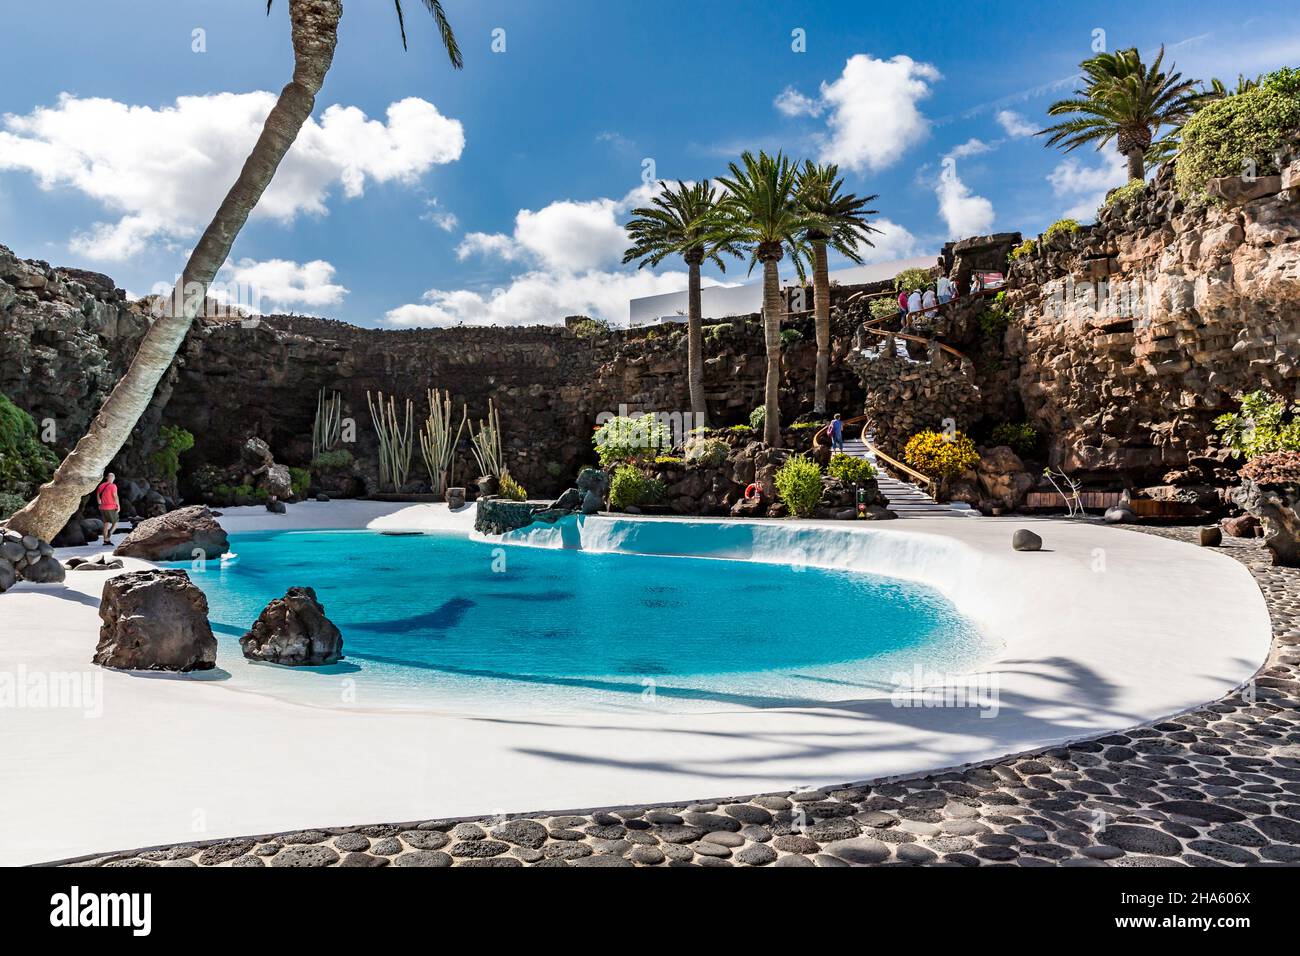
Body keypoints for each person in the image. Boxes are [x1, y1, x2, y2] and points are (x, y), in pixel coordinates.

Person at [96, 472, 119, 545]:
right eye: (112, 477)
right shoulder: (113, 486)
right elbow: (115, 496)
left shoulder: (101, 486)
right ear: (108, 478)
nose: (112, 478)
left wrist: (100, 504)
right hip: (110, 507)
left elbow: (98, 498)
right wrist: (118, 506)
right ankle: (108, 536)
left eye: (113, 477)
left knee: (106, 524)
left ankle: (105, 541)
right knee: (115, 524)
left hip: (102, 508)